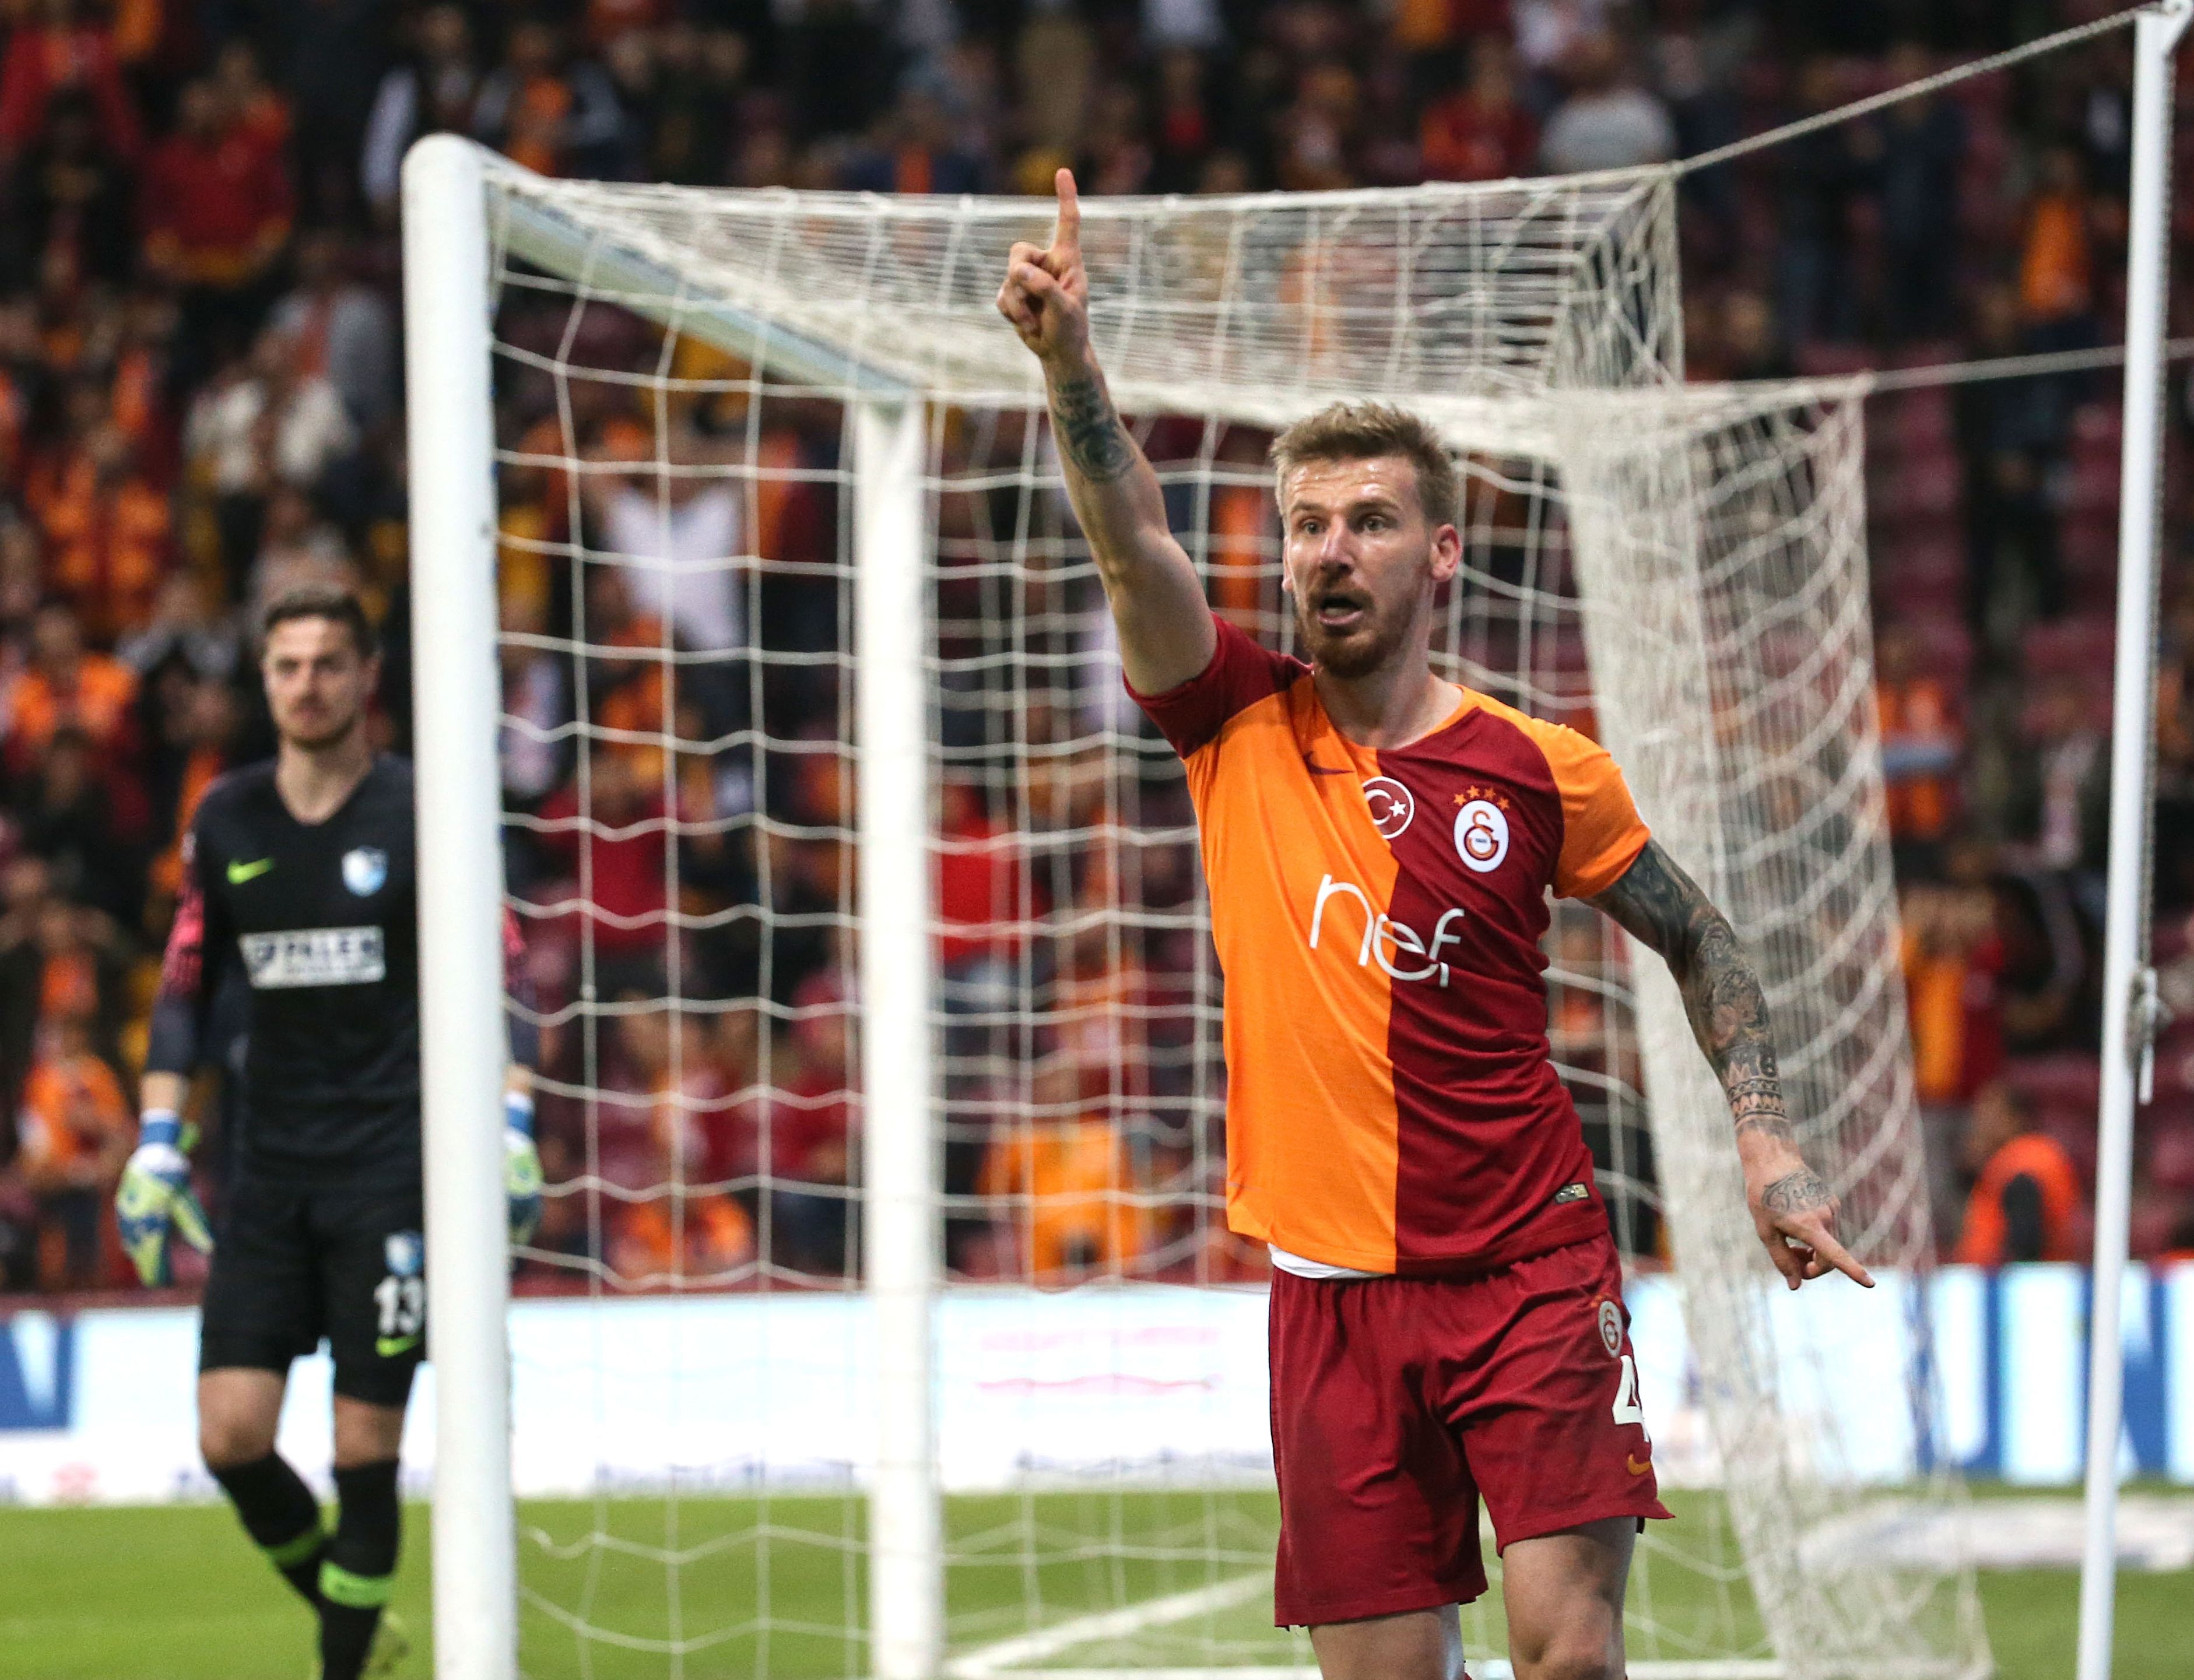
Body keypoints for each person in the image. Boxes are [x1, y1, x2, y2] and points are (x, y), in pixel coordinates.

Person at [996, 172, 1870, 1680]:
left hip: (1529, 1263)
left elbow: (1699, 935)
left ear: (1440, 553)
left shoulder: (1539, 767)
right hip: (1332, 1297)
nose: (1331, 550)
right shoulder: (1228, 721)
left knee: (1568, 1652)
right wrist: (1072, 366)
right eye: (1308, 525)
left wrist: (1764, 1136)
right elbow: (1134, 542)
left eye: (1371, 521)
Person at [112, 584, 542, 1680]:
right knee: (231, 1436)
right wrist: (160, 1137)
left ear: (366, 678)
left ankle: (342, 1666)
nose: (307, 685)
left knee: (364, 1444)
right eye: (287, 666)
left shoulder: (424, 809)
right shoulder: (227, 818)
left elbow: (497, 967)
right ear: (264, 683)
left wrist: (510, 1111)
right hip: (266, 1168)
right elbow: (185, 987)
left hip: (392, 1169)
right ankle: (350, 1611)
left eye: (327, 664)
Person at [1951, 1081, 2081, 1264]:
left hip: (2009, 1282)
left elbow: (2027, 1231)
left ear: (2017, 1118)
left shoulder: (2027, 1158)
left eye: (1991, 1113)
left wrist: (2018, 1275)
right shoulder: (2020, 1155)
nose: (1981, 1121)